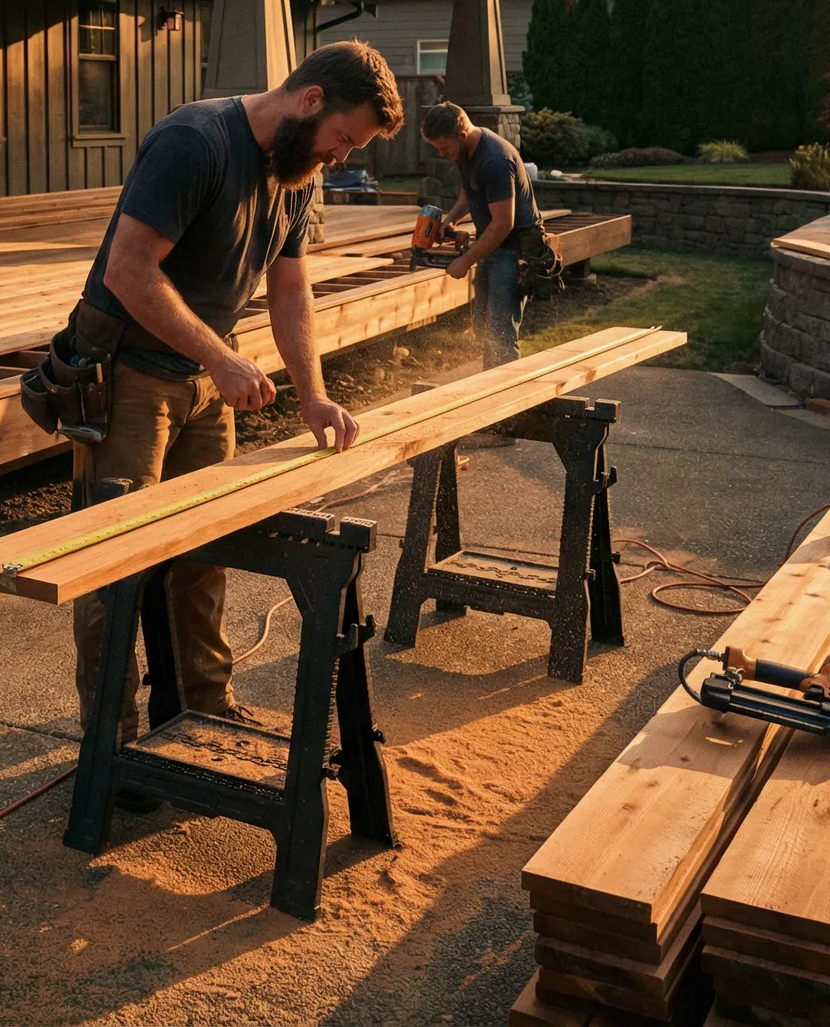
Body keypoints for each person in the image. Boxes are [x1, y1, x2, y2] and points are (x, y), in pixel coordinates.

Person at [69, 40, 404, 802]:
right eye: (342, 140)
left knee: (205, 552)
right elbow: (128, 270)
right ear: (310, 100)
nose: (338, 158)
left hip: (200, 383)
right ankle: (112, 751)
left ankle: (204, 710)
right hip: (127, 375)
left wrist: (313, 394)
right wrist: (221, 357)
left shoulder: (295, 172)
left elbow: (290, 291)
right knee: (112, 563)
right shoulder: (196, 142)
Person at [420, 100, 541, 368]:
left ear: (461, 136)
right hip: (493, 247)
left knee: (501, 333)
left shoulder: (494, 160)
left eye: (444, 147)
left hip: (513, 251)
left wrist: (466, 260)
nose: (442, 154)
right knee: (485, 328)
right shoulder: (466, 152)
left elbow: (503, 224)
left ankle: (507, 401)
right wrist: (451, 219)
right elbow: (470, 191)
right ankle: (489, 389)